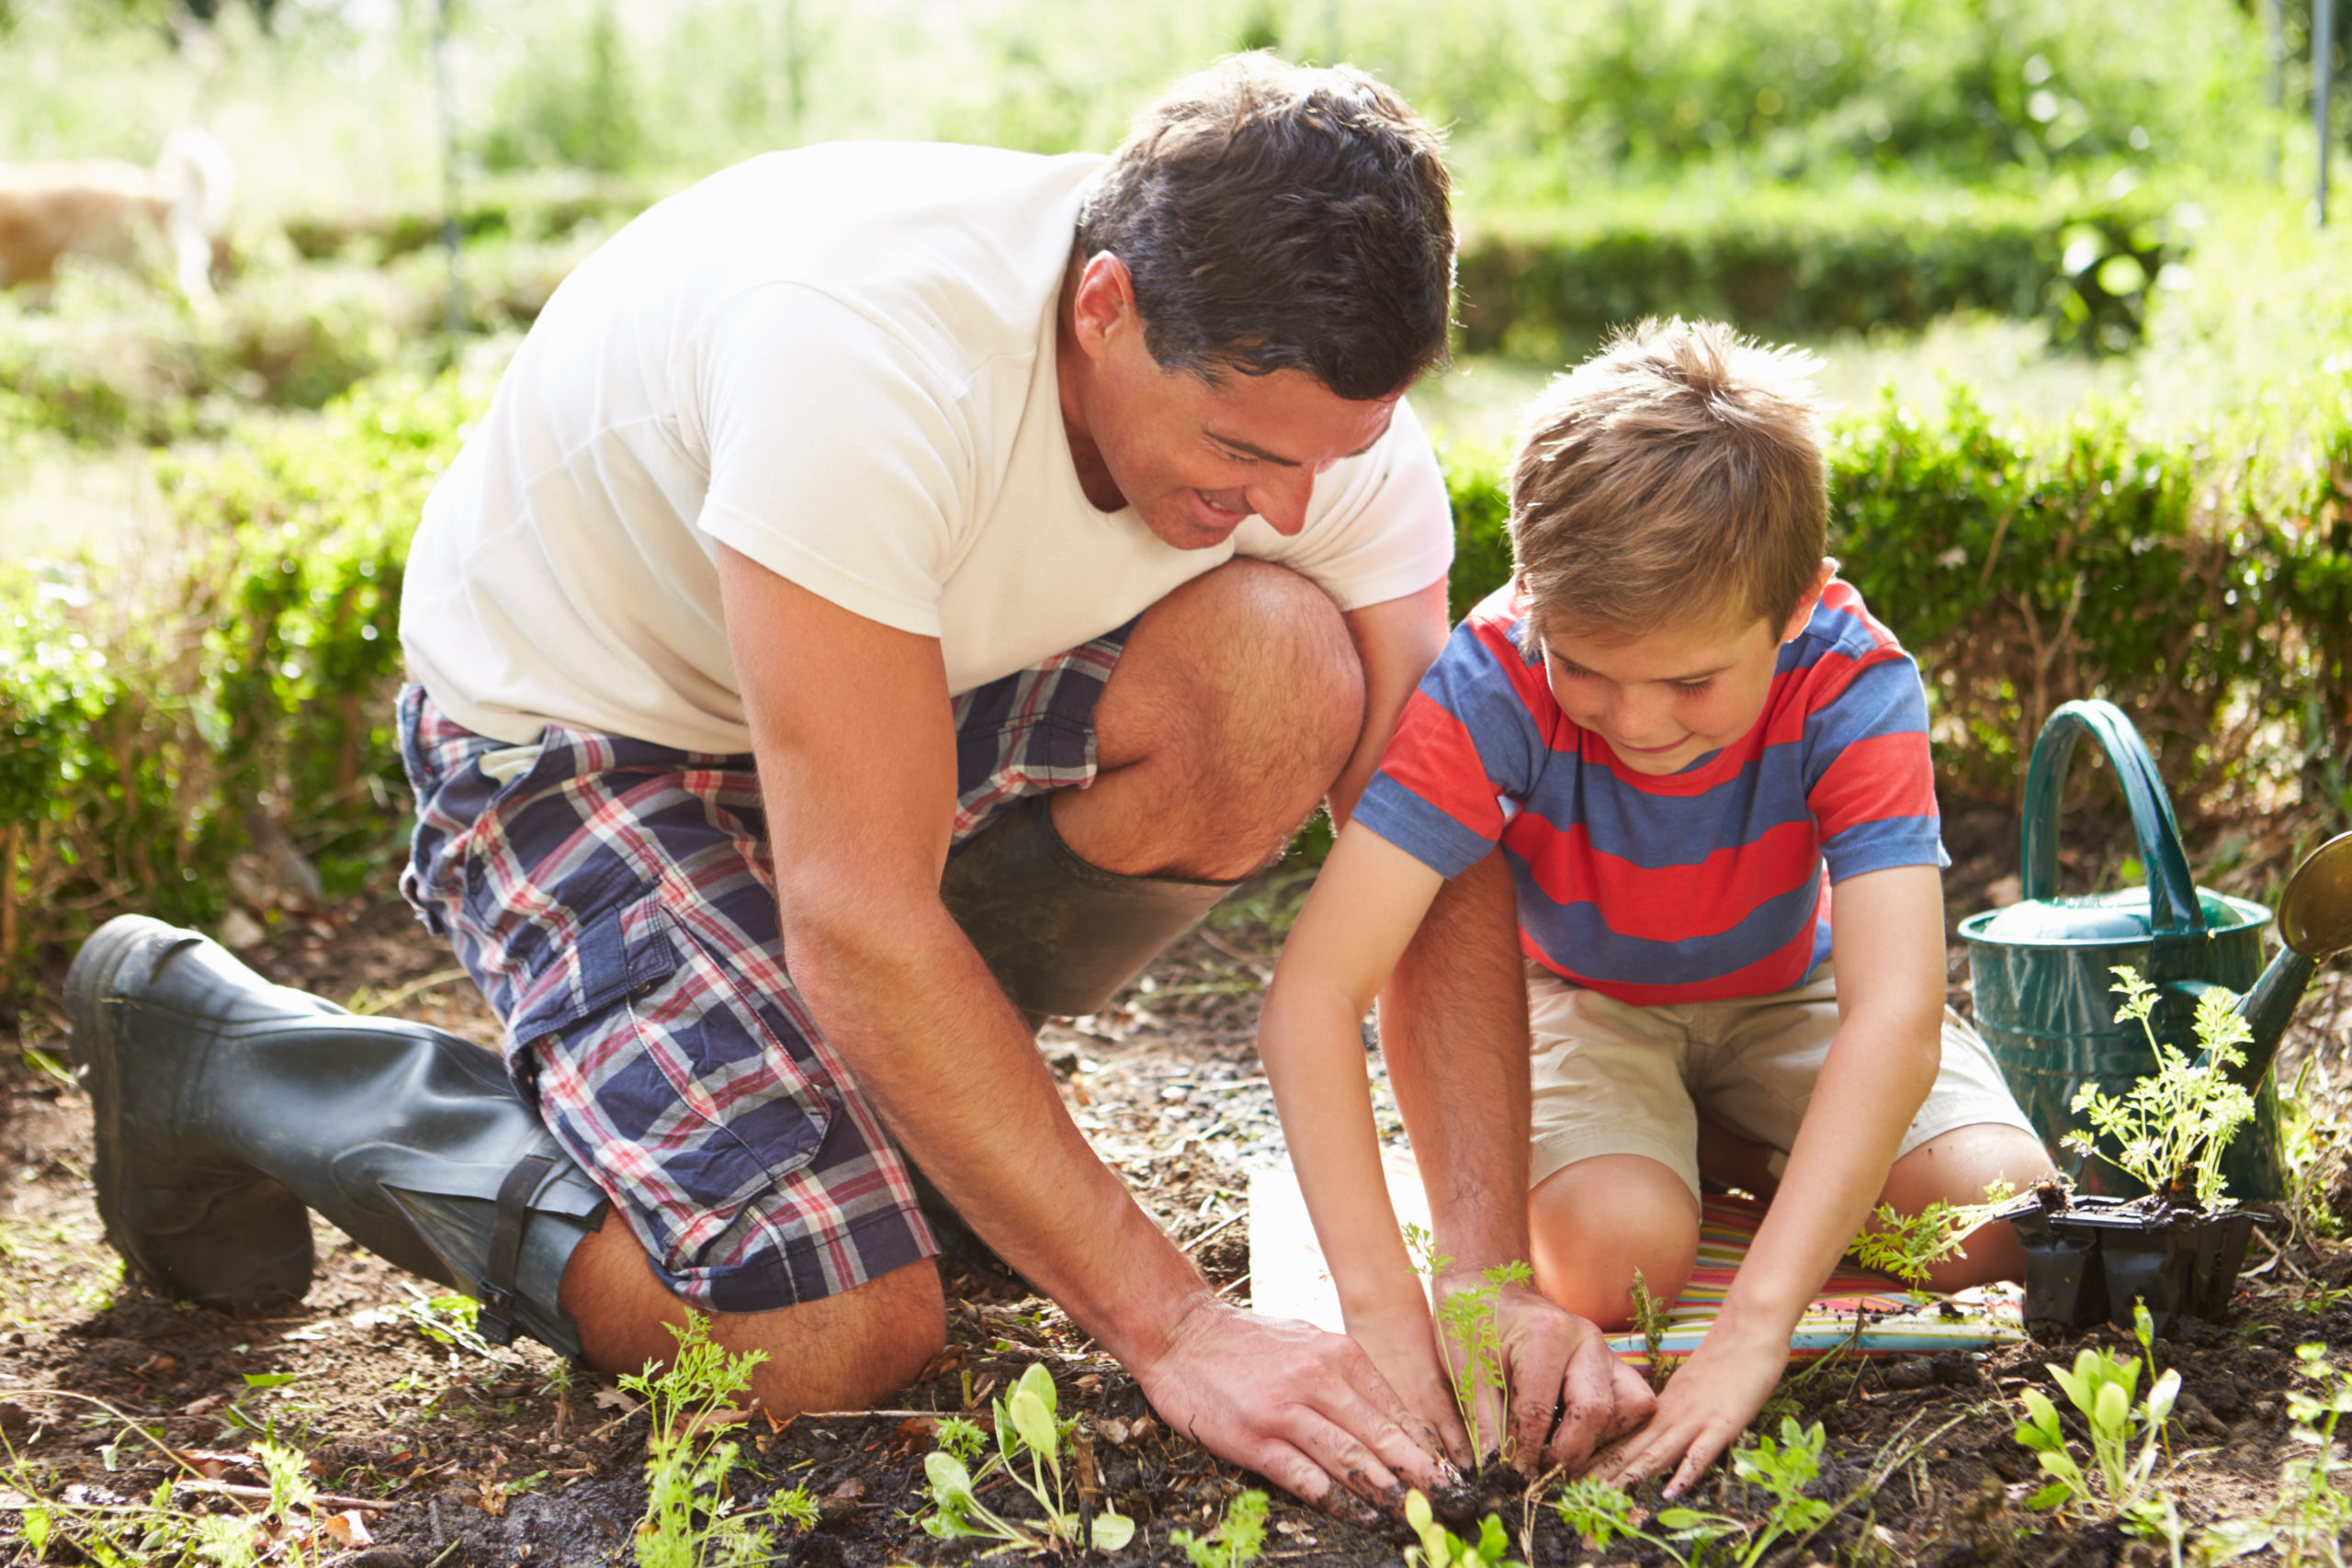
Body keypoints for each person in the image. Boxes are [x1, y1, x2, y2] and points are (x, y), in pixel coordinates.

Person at [65, 54, 1653, 1513]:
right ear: (1103, 305)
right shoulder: (866, 354)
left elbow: (1432, 850)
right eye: (1244, 450)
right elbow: (857, 908)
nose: (1297, 498)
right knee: (829, 1321)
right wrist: (1174, 1325)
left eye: (1338, 451)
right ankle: (230, 1056)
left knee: (1278, 674)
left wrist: (1482, 1271)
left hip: (890, 708)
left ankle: (881, 1125)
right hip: (580, 739)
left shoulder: (1318, 438)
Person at [1252, 318, 2057, 1491]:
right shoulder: (1493, 678)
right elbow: (1312, 997)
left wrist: (1754, 1327)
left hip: (1792, 990)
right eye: (1586, 667)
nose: (1635, 722)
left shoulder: (1851, 676)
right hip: (1586, 998)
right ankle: (1718, 1146)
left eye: (1690, 681)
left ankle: (1735, 1140)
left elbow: (1893, 1012)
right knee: (1611, 1264)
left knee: (1999, 1224)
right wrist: (1388, 1311)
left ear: (1791, 613)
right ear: (1531, 596)